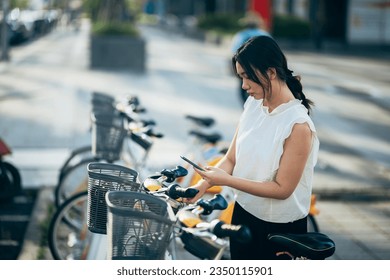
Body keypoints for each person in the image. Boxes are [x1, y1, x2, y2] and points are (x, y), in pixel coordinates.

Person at [186, 35, 320, 260]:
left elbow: (282, 189)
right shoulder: (253, 104)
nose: (243, 85)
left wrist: (226, 181)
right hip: (243, 214)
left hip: (278, 229)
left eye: (247, 77)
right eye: (240, 77)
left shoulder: (298, 125)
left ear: (271, 72)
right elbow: (231, 158)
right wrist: (201, 185)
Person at [230, 13, 271, 105]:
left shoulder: (241, 35)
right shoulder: (264, 34)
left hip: (244, 67)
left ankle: (247, 107)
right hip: (261, 68)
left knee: (243, 89)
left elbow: (234, 52)